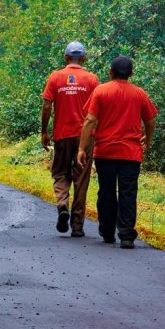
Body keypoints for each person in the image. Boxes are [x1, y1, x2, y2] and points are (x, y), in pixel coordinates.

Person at [77, 55, 157, 249]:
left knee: (106, 191)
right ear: (131, 73)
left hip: (105, 151)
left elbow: (89, 120)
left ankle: (107, 231)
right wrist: (148, 137)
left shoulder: (101, 91)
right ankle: (127, 235)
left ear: (110, 72)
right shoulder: (139, 94)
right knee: (128, 192)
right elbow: (151, 119)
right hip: (131, 153)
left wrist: (81, 148)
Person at [41, 41, 99, 237]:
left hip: (62, 135)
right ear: (83, 59)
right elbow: (97, 111)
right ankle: (77, 226)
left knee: (60, 173)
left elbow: (47, 106)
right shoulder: (92, 79)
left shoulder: (55, 77)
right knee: (81, 180)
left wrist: (44, 131)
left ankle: (62, 203)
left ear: (65, 58)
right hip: (85, 137)